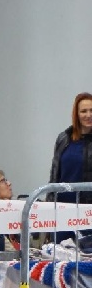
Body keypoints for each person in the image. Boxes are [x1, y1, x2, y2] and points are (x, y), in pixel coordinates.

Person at [48, 92, 92, 241]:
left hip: (88, 213)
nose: (88, 115)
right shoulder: (63, 138)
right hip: (62, 211)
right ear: (76, 114)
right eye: (84, 111)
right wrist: (49, 206)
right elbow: (54, 174)